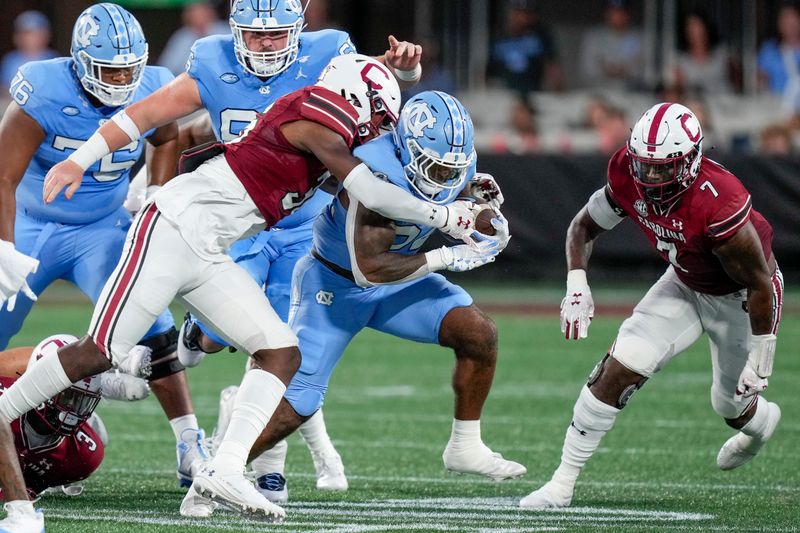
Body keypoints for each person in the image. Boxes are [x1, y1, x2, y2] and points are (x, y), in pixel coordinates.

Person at [0, 54, 483, 523]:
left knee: (280, 350)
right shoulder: (319, 115)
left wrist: (466, 187)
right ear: (356, 99)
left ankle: (224, 469)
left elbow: (377, 181)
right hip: (173, 226)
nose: (380, 128)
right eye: (380, 115)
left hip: (209, 247)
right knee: (101, 351)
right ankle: (5, 410)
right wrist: (446, 218)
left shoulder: (331, 118)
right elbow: (374, 191)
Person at [195, 92, 524, 519]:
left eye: (452, 169)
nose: (444, 177)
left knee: (478, 333)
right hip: (337, 286)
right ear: (406, 150)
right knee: (300, 402)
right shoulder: (373, 178)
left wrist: (482, 209)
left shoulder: (442, 162)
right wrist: (448, 255)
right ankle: (217, 471)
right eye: (437, 167)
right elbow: (371, 269)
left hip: (398, 284)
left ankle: (465, 446)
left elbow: (451, 193)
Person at [169, 0, 426, 502]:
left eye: (277, 33)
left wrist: (407, 71)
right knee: (226, 333)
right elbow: (165, 123)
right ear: (236, 30)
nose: (266, 44)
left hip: (302, 220)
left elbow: (373, 91)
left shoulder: (330, 52)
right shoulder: (211, 59)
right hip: (242, 218)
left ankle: (267, 467)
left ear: (300, 28)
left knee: (281, 341)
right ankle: (198, 336)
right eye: (256, 34)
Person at [520, 102, 783, 509]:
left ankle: (761, 425)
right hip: (684, 283)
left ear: (693, 161)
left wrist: (762, 355)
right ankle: (561, 484)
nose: (652, 176)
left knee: (730, 405)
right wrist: (577, 283)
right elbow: (583, 226)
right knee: (620, 366)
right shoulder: (628, 171)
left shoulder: (720, 203)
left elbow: (760, 283)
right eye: (646, 165)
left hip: (741, 299)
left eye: (664, 167)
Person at [0, 2, 210, 495]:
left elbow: (166, 137)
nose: (119, 79)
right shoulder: (44, 87)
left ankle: (188, 441)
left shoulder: (154, 81)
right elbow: (4, 174)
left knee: (154, 323)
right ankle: (36, 416)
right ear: (79, 61)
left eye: (127, 68)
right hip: (34, 226)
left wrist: (155, 191)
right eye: (108, 68)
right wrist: (3, 245)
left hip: (102, 227)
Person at [0, 333, 149, 531]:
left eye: (82, 402)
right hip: (22, 381)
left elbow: (25, 486)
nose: (74, 412)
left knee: (100, 437)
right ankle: (102, 366)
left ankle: (95, 374)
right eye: (69, 399)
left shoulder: (83, 455)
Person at [491, 0, 562, 95]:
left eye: (528, 13)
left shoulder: (540, 36)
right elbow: (487, 71)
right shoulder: (499, 37)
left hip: (533, 92)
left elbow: (551, 68)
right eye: (519, 12)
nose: (523, 18)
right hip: (504, 94)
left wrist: (558, 88)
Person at [578, 0, 643, 91]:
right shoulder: (594, 37)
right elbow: (587, 70)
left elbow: (645, 72)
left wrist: (625, 71)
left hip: (631, 95)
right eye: (613, 12)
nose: (617, 16)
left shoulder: (638, 38)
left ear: (628, 14)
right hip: (599, 92)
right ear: (606, 14)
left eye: (621, 12)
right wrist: (606, 70)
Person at [671, 10, 735, 95]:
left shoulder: (723, 53)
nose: (695, 34)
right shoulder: (680, 60)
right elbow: (677, 89)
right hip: (694, 105)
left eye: (699, 29)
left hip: (725, 103)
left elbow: (739, 81)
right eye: (691, 30)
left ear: (706, 29)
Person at [158, 1, 229, 76]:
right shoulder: (181, 37)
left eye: (202, 12)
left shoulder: (226, 32)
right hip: (188, 82)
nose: (198, 18)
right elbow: (167, 66)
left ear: (210, 13)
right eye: (192, 13)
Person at [0, 11, 57, 90]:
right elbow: (4, 90)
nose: (30, 38)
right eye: (25, 33)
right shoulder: (10, 60)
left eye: (35, 33)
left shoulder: (54, 60)